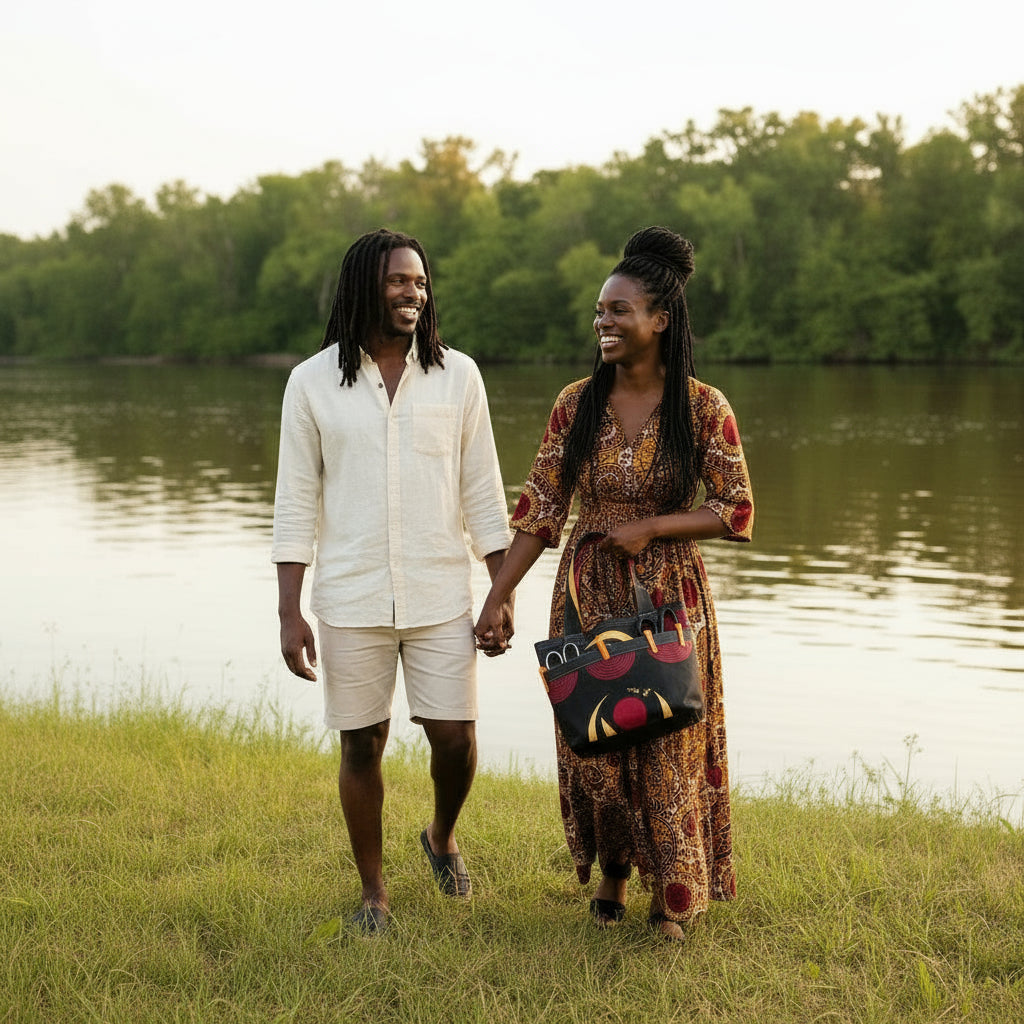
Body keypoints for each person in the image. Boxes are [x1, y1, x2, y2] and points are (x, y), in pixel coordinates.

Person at [474, 226, 753, 940]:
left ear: (660, 319)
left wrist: (654, 527)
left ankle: (673, 895)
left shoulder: (703, 406)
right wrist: (500, 593)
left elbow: (735, 509)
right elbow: (539, 508)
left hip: (665, 599)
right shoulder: (576, 403)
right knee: (595, 746)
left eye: (619, 310)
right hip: (586, 591)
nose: (604, 320)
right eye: (600, 310)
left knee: (665, 744)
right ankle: (613, 877)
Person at [272, 228, 513, 935]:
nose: (414, 292)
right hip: (350, 595)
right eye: (398, 281)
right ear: (362, 287)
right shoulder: (311, 383)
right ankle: (374, 893)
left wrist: (499, 594)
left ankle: (440, 835)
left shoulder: (459, 376)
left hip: (442, 590)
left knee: (456, 737)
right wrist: (290, 611)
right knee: (361, 742)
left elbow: (484, 493)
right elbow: (294, 501)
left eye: (420, 282)